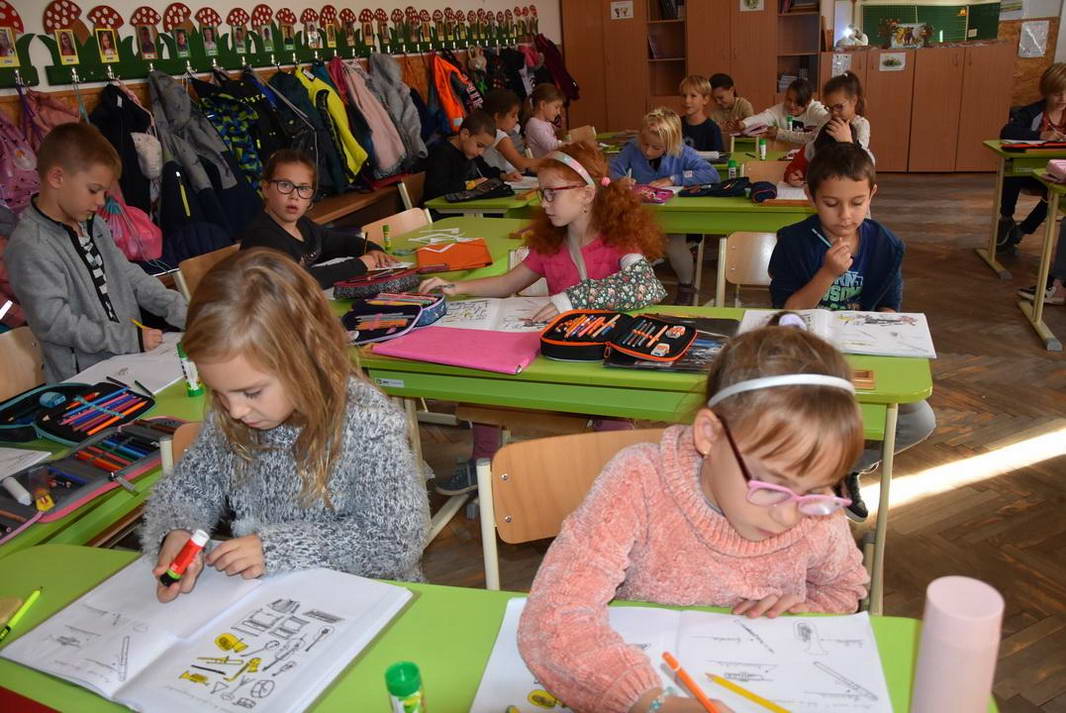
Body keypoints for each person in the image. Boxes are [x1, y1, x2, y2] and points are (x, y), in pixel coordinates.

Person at [517, 325, 869, 713]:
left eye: (814, 491)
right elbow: (554, 618)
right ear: (710, 435)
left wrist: (805, 612)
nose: (788, 516)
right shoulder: (639, 481)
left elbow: (844, 588)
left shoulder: (817, 513)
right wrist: (647, 702)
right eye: (771, 486)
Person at [141, 248, 430, 602]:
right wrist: (177, 532)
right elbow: (187, 490)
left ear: (304, 358)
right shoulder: (231, 416)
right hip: (275, 601)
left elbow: (397, 542)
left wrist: (277, 549)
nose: (235, 410)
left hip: (372, 600)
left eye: (251, 392)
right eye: (220, 393)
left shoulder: (368, 423)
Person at [419, 142, 667, 495]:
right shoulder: (551, 242)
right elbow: (508, 283)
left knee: (613, 418)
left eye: (552, 193)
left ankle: (620, 485)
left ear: (586, 194)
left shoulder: (619, 240)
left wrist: (574, 297)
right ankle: (483, 463)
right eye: (542, 193)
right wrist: (457, 287)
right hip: (554, 355)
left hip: (597, 360)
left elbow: (646, 285)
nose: (544, 203)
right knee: (487, 376)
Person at [768, 142, 935, 521]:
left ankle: (844, 468)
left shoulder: (886, 245)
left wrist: (887, 328)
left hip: (860, 356)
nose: (845, 216)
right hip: (806, 354)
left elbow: (890, 307)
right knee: (793, 415)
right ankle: (803, 475)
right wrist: (827, 274)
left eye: (857, 203)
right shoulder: (793, 242)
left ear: (872, 195)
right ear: (811, 196)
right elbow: (787, 312)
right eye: (831, 204)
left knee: (920, 421)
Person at [5, 123, 187, 383]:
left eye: (104, 192)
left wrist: (180, 311)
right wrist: (127, 338)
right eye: (93, 190)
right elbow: (54, 322)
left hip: (130, 360)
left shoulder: (93, 223)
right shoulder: (30, 246)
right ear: (57, 178)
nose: (101, 202)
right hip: (86, 381)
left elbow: (128, 275)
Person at [237, 149, 395, 289]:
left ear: (311, 197)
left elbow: (341, 242)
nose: (294, 196)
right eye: (285, 185)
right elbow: (299, 280)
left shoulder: (303, 225)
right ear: (265, 188)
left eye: (303, 188)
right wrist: (361, 264)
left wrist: (372, 250)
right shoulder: (262, 237)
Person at [610, 107, 719, 304]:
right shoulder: (633, 147)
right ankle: (638, 288)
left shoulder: (682, 152)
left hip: (673, 218)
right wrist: (619, 180)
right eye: (645, 144)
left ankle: (686, 287)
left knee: (675, 246)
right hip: (641, 216)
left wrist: (673, 179)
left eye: (656, 148)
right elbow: (612, 170)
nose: (648, 151)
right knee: (627, 246)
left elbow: (711, 174)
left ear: (670, 145)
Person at [997, 63, 1066, 255]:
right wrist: (1041, 136)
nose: (1063, 99)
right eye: (1057, 94)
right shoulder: (1032, 112)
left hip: (1058, 172)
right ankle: (1006, 218)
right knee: (1012, 173)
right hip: (1030, 172)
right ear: (1046, 92)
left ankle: (1023, 230)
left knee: (1055, 194)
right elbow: (1007, 132)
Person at [784, 71, 870, 187]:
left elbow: (863, 164)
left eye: (839, 106)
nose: (834, 113)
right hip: (821, 179)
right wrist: (793, 173)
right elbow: (812, 144)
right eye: (829, 108)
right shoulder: (827, 118)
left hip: (848, 185)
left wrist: (847, 142)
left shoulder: (861, 125)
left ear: (854, 100)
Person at [422, 110, 516, 205]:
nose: (481, 152)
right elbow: (436, 190)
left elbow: (486, 170)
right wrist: (471, 184)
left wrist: (504, 176)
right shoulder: (441, 154)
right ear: (465, 135)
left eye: (485, 148)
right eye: (479, 145)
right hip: (441, 209)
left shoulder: (470, 152)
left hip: (464, 206)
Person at [734, 77, 828, 145]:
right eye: (789, 100)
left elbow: (814, 135)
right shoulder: (781, 108)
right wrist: (744, 123)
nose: (791, 105)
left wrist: (780, 133)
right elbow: (763, 117)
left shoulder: (815, 109)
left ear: (808, 103)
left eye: (797, 103)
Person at [483, 88, 539, 174]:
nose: (517, 119)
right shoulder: (499, 135)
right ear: (497, 116)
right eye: (513, 116)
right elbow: (521, 164)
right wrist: (548, 159)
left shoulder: (488, 132)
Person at [678, 74, 724, 152]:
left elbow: (717, 156)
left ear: (705, 99)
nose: (687, 100)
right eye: (684, 96)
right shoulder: (675, 125)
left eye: (693, 96)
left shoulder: (712, 129)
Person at [524, 83, 566, 158]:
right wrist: (570, 144)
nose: (558, 112)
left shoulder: (546, 123)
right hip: (543, 164)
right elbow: (552, 146)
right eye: (556, 107)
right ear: (543, 105)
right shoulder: (533, 124)